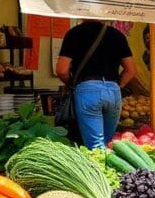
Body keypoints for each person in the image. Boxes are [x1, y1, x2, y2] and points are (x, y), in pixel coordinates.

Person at [56, 20, 137, 149]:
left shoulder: (74, 33)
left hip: (87, 90)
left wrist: (71, 83)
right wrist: (118, 85)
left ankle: (99, 168)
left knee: (96, 147)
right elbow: (131, 70)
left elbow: (61, 70)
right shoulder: (117, 35)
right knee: (108, 143)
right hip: (113, 91)